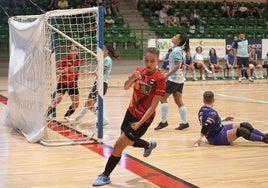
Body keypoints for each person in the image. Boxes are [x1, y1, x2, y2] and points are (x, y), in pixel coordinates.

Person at [91, 47, 166, 186]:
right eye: (146, 60)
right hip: (130, 112)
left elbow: (153, 106)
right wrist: (132, 78)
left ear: (157, 61)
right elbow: (125, 87)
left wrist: (139, 123)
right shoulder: (139, 71)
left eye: (152, 61)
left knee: (119, 145)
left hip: (143, 119)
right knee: (127, 142)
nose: (148, 63)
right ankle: (148, 145)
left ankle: (105, 175)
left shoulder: (159, 79)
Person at [65, 44, 119, 125]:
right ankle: (102, 120)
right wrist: (89, 72)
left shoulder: (107, 60)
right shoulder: (104, 59)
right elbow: (97, 72)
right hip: (98, 83)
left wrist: (94, 70)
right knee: (88, 104)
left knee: (89, 104)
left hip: (102, 84)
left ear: (107, 51)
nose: (101, 51)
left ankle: (102, 120)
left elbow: (101, 72)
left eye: (103, 49)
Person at [194, 91, 268, 147]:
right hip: (216, 137)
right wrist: (199, 140)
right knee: (241, 131)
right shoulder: (213, 113)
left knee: (245, 125)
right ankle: (263, 139)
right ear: (213, 100)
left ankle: (265, 136)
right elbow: (206, 125)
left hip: (220, 129)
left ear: (203, 100)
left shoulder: (202, 110)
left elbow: (209, 122)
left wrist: (223, 119)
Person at [154, 34, 190, 131]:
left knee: (162, 98)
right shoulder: (177, 50)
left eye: (175, 36)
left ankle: (164, 121)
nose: (173, 37)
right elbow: (175, 64)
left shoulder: (176, 51)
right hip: (179, 79)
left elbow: (177, 66)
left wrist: (166, 75)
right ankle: (184, 122)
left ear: (178, 41)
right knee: (178, 101)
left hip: (174, 79)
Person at [47, 45, 83, 119]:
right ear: (69, 51)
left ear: (78, 51)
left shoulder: (80, 60)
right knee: (57, 100)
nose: (74, 52)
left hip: (73, 84)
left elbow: (76, 70)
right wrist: (64, 70)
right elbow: (56, 72)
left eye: (75, 50)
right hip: (63, 82)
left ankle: (67, 116)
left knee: (76, 104)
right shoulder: (65, 60)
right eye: (72, 50)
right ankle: (45, 116)